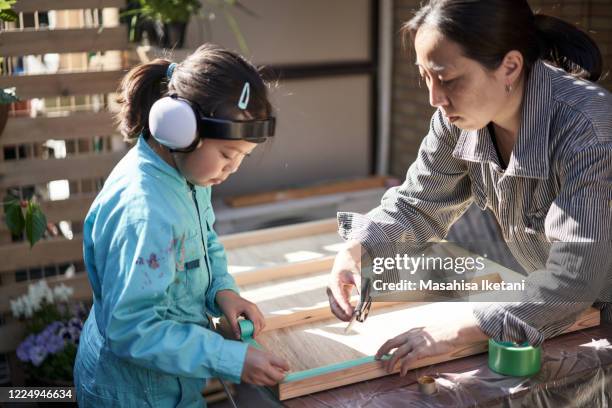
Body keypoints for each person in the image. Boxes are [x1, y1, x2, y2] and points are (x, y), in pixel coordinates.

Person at [327, 0, 612, 377]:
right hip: (563, 312)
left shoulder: (590, 129)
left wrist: (456, 330)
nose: (435, 98)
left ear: (509, 66)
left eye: (447, 78)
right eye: (425, 77)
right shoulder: (456, 121)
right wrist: (356, 250)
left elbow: (574, 278)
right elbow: (416, 206)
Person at [74, 44, 289, 406]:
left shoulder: (186, 175)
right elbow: (131, 330)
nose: (232, 169)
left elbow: (204, 240)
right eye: (226, 154)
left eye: (241, 158)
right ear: (180, 129)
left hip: (170, 380)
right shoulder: (145, 213)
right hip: (133, 394)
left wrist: (224, 291)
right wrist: (230, 359)